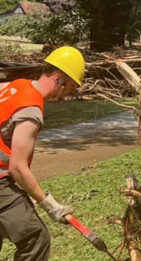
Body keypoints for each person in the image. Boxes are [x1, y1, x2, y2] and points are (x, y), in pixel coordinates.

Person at [0, 46, 85, 260]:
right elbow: (17, 168)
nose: (68, 94)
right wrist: (49, 204)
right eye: (71, 87)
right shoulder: (31, 111)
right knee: (36, 239)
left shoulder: (16, 86)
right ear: (59, 79)